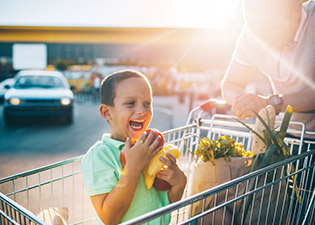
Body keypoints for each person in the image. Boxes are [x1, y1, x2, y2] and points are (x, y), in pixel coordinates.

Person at [80, 69, 187, 225]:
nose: (142, 111)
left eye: (147, 103)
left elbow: (164, 203)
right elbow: (109, 218)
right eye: (131, 103)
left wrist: (178, 184)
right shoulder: (100, 156)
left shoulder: (151, 149)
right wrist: (134, 167)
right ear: (107, 112)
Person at [221, 0, 315, 141]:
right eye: (255, 29)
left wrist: (270, 103)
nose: (261, 40)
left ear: (295, 11)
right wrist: (244, 102)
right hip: (286, 135)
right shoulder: (252, 36)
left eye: (270, 29)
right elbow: (231, 83)